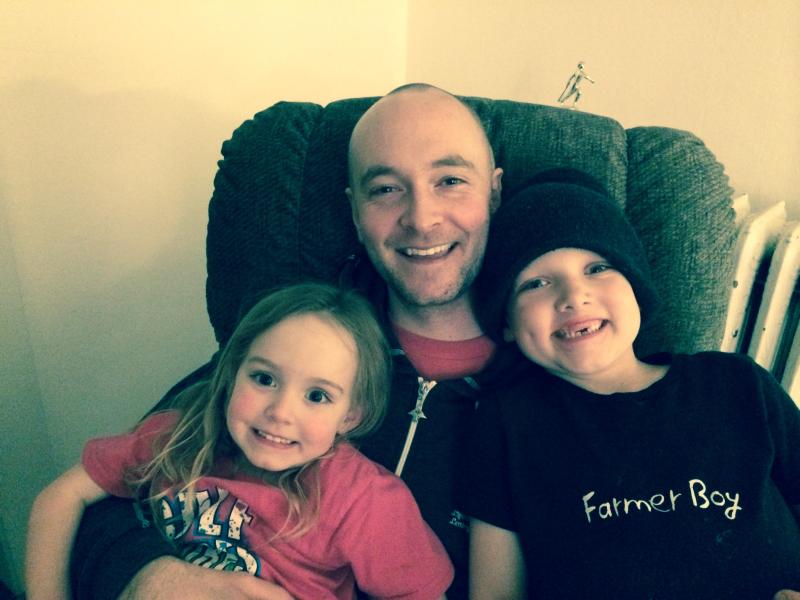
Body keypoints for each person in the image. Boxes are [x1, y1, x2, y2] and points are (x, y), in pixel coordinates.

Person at [68, 83, 503, 600]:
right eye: (386, 189)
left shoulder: (553, 386)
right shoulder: (291, 339)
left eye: (450, 180)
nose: (422, 218)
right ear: (355, 211)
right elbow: (104, 496)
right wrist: (151, 575)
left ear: (494, 192)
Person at [464, 168, 800, 598]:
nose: (573, 296)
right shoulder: (507, 422)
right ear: (507, 323)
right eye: (536, 283)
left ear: (636, 287)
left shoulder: (737, 383)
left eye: (597, 268)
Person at [26, 282, 453, 600]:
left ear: (351, 416)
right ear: (232, 372)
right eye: (264, 379)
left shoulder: (363, 500)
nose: (281, 412)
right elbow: (61, 497)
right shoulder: (178, 434)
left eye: (317, 396)